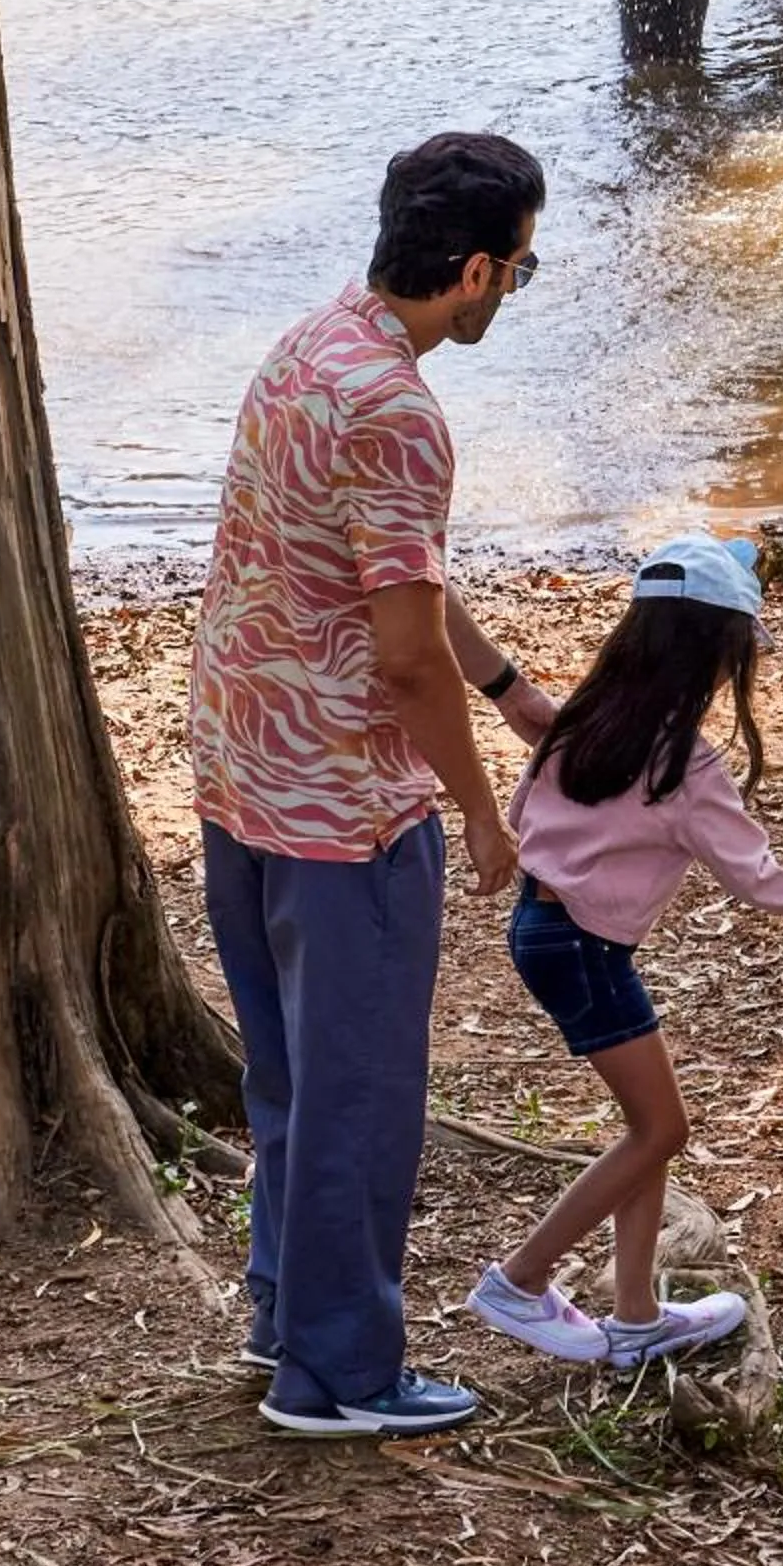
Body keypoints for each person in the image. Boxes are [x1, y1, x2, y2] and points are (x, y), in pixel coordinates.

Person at [191, 132, 562, 1440]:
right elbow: (403, 660)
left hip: (241, 780)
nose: (512, 291)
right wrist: (473, 805)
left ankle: (286, 1313)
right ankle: (340, 1376)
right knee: (361, 1094)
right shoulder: (400, 411)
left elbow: (390, 582)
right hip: (345, 813)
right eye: (517, 271)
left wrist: (510, 689)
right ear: (468, 271)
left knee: (293, 1079)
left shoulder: (312, 347)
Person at [463, 536, 783, 1369]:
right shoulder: (683, 763)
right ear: (715, 657)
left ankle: (636, 1315)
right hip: (584, 950)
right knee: (659, 1129)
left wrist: (441, 607)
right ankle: (519, 1280)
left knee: (652, 1127)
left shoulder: (587, 724)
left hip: (546, 932)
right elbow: (762, 880)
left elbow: (512, 697)